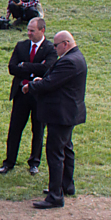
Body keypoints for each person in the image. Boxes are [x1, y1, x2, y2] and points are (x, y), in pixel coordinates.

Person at [23, 31, 87, 208]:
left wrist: (32, 85)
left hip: (61, 114)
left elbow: (50, 84)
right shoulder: (76, 57)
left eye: (56, 46)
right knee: (66, 149)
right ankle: (66, 186)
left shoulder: (69, 61)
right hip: (68, 112)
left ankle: (55, 196)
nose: (54, 49)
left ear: (65, 44)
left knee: (55, 152)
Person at [0, 17, 55, 177]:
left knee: (38, 129)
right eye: (29, 30)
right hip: (20, 95)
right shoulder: (21, 46)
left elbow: (47, 69)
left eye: (32, 30)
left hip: (39, 95)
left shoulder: (50, 49)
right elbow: (12, 68)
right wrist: (33, 70)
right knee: (15, 129)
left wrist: (25, 66)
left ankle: (34, 162)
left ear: (42, 30)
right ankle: (9, 162)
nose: (29, 33)